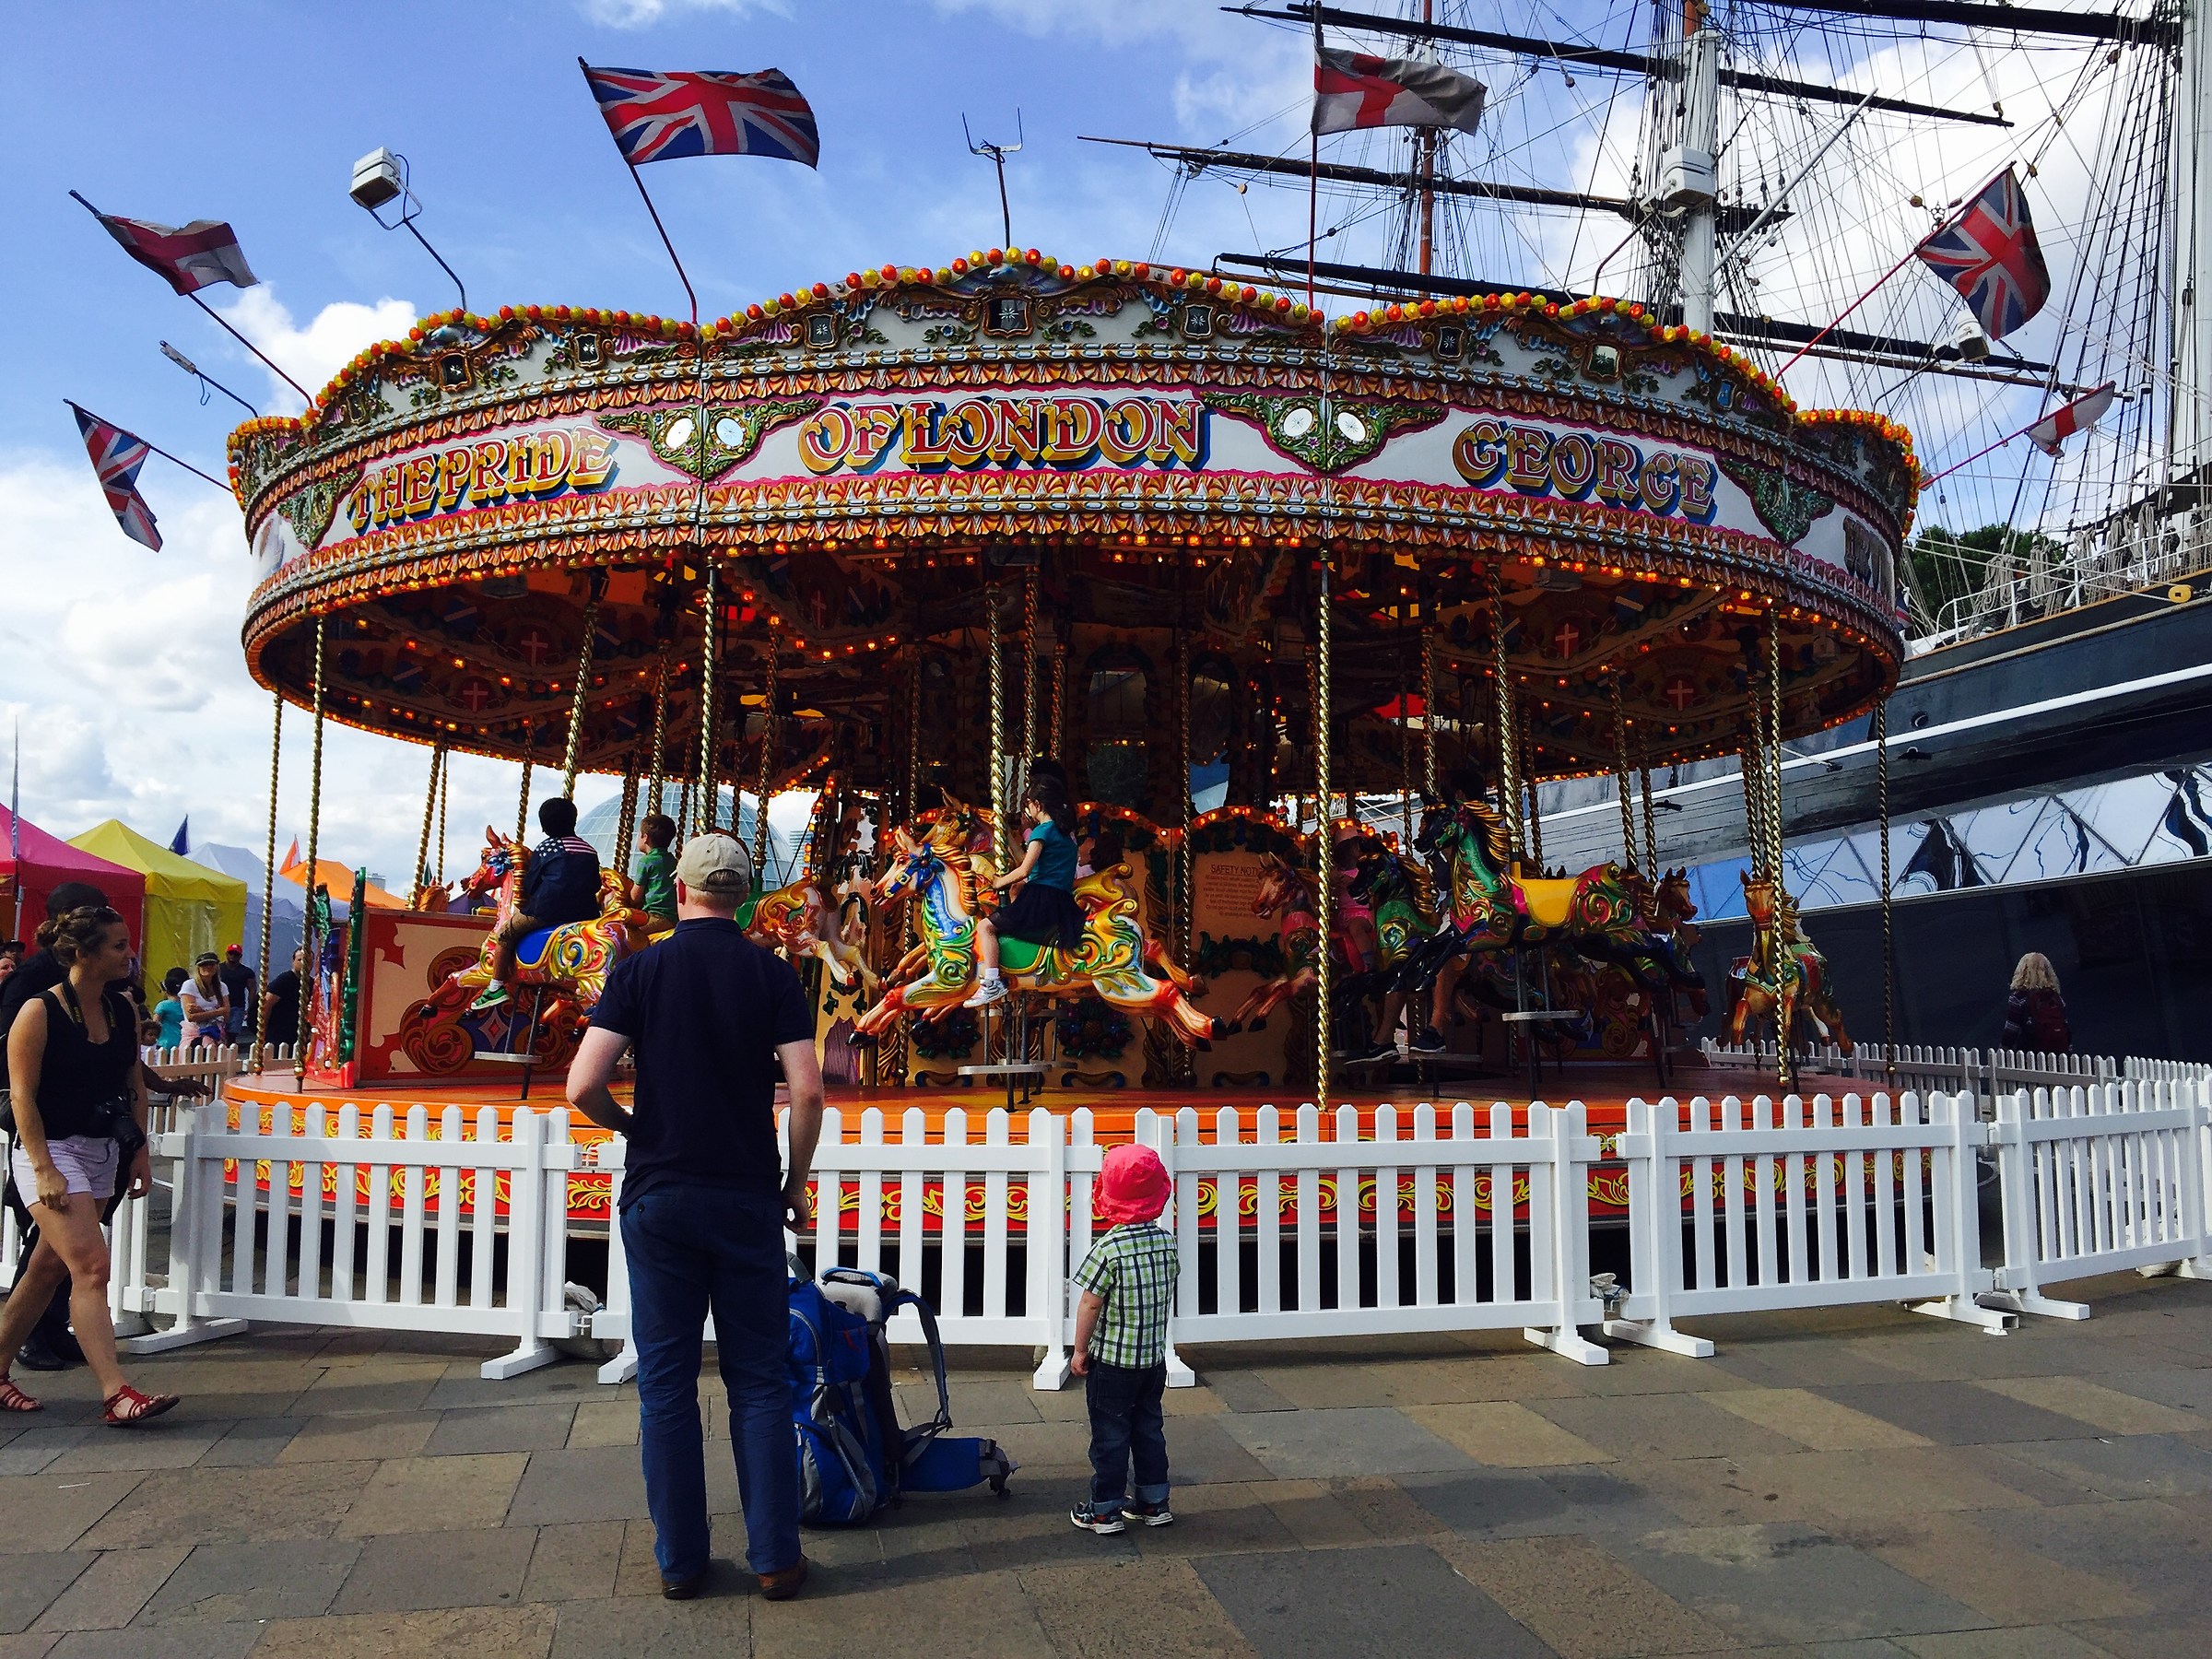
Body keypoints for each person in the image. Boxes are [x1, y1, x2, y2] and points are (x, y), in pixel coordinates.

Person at [567, 831, 821, 1603]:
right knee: (761, 1383)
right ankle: (775, 1557)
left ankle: (680, 1562)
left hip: (660, 1194)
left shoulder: (640, 969)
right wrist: (794, 1183)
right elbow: (807, 1093)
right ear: (743, 896)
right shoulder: (772, 973)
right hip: (745, 1193)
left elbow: (582, 1084)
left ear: (677, 892)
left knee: (668, 1385)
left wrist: (632, 1126)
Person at [0, 903, 178, 1424]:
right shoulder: (39, 1011)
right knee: (92, 1267)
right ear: (83, 953)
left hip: (100, 1148)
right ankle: (115, 1392)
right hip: (49, 1149)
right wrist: (43, 1167)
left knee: (46, 1269)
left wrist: (139, 1150)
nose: (130, 953)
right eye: (118, 945)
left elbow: (132, 1083)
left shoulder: (122, 1009)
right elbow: (23, 1097)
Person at [1068, 1143, 1179, 1535]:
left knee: (1110, 1436)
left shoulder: (1109, 1249)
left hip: (1113, 1363)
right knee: (1149, 1429)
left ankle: (1104, 1509)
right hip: (1152, 1360)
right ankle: (1154, 1502)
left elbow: (1090, 1305)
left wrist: (1080, 1350)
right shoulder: (1167, 1243)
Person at [474, 797, 604, 1011]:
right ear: (574, 821)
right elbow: (595, 883)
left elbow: (530, 882)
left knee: (505, 934)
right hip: (585, 913)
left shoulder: (545, 848)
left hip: (548, 910)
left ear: (544, 827)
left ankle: (495, 986)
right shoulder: (589, 849)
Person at [965, 773, 1082, 1007]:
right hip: (1061, 901)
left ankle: (991, 982)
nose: (1028, 808)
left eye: (1028, 803)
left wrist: (999, 882)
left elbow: (1024, 870)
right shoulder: (1066, 835)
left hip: (1040, 898)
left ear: (1037, 805)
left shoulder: (1043, 831)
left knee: (985, 927)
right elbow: (1030, 862)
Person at [2002, 952, 2072, 1053]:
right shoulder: (2056, 998)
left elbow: (2011, 1031)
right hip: (2058, 1055)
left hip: (2030, 1055)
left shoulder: (2018, 998)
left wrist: (2001, 1054)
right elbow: (2065, 1028)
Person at [629, 813, 679, 930]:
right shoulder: (673, 860)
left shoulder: (646, 862)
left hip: (657, 916)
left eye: (639, 835)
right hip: (674, 915)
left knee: (628, 933)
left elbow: (635, 897)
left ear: (645, 838)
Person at [262, 947, 308, 1055]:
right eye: (300, 960)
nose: (303, 963)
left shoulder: (310, 983)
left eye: (307, 960)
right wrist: (263, 1030)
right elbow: (267, 1003)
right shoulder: (284, 980)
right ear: (293, 961)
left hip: (297, 1033)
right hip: (278, 1032)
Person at [177, 954, 229, 1050]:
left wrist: (202, 1012)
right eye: (204, 964)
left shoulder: (222, 987)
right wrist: (217, 1012)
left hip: (216, 1033)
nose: (208, 967)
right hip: (194, 1033)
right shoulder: (189, 985)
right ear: (198, 968)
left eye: (211, 964)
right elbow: (191, 1017)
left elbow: (226, 1014)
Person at [217, 946, 256, 1044]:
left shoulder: (247, 972)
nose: (233, 956)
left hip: (237, 1006)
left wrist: (250, 1008)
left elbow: (252, 989)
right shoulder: (218, 969)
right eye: (231, 953)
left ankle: (230, 1051)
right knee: (219, 1031)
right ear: (226, 954)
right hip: (219, 1005)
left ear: (240, 956)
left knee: (232, 1033)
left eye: (236, 954)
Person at [152, 969, 187, 1051]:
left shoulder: (162, 1005)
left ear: (166, 991)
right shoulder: (184, 1004)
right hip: (182, 1041)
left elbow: (154, 1023)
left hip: (165, 1043)